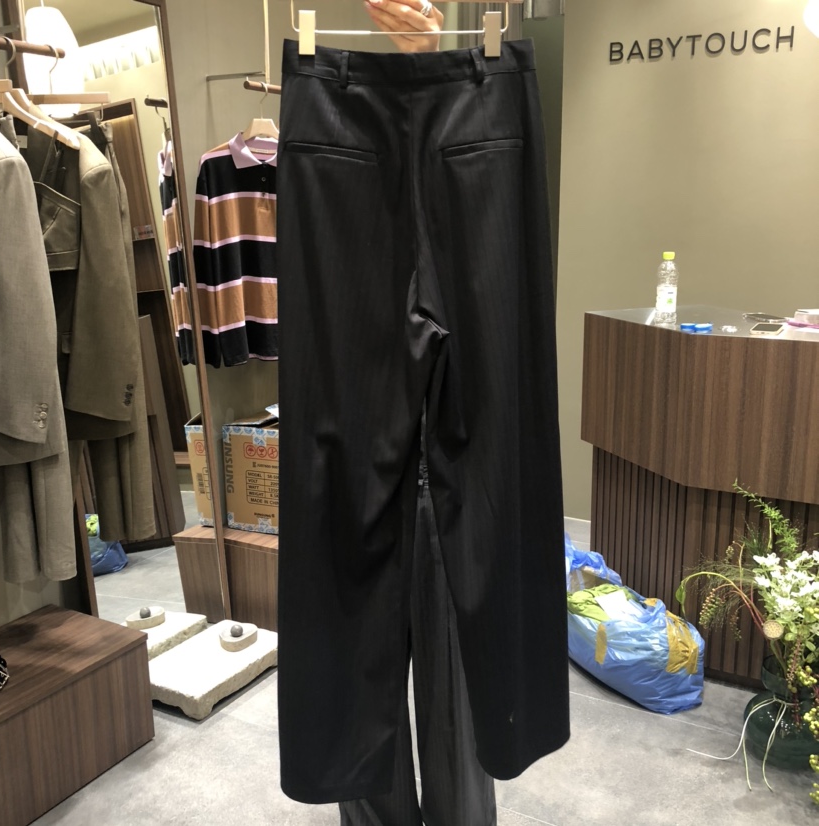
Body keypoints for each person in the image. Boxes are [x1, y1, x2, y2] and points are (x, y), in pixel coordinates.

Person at [334, 7, 500, 826]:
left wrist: (428, 63)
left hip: (443, 472)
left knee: (455, 690)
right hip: (352, 457)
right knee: (355, 681)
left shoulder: (457, 141)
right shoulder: (330, 144)